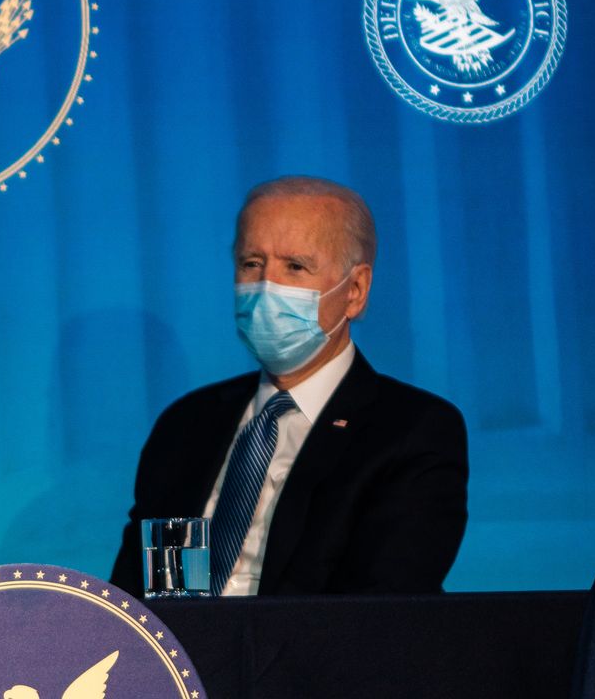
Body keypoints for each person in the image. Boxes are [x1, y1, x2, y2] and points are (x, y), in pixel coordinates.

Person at [109, 176, 468, 596]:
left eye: (294, 267)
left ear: (355, 290)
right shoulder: (187, 423)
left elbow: (380, 610)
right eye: (251, 264)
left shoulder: (412, 429)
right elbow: (133, 600)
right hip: (180, 657)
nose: (265, 288)